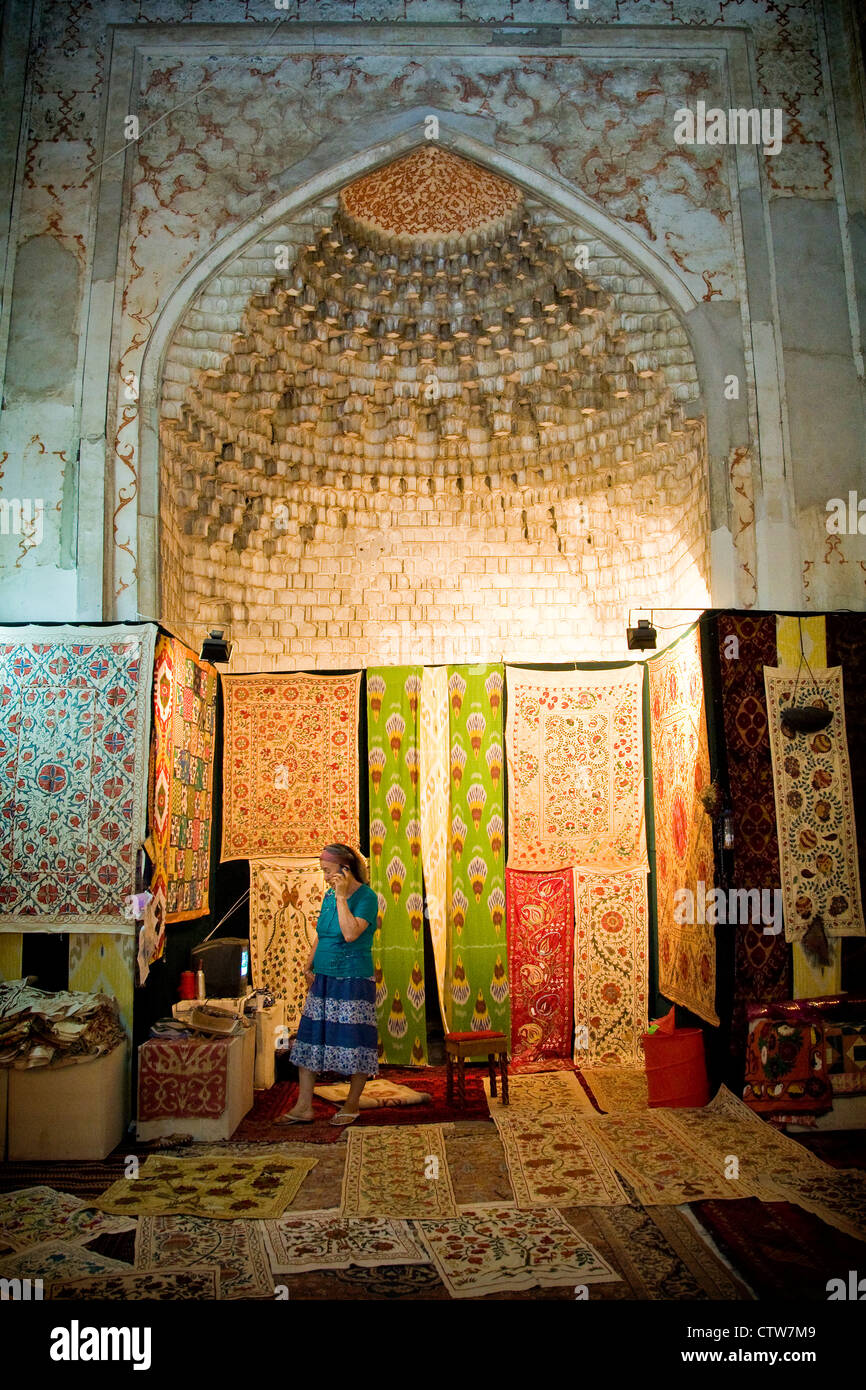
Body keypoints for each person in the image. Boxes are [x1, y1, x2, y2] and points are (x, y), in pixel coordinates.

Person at [279, 842, 379, 1127]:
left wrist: (343, 897)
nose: (324, 877)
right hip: (323, 978)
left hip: (352, 979)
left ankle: (352, 1104)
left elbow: (349, 934)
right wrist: (309, 964)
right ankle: (303, 1107)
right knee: (310, 1039)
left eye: (328, 870)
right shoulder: (328, 896)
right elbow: (322, 934)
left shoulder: (366, 898)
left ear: (344, 869)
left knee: (354, 1041)